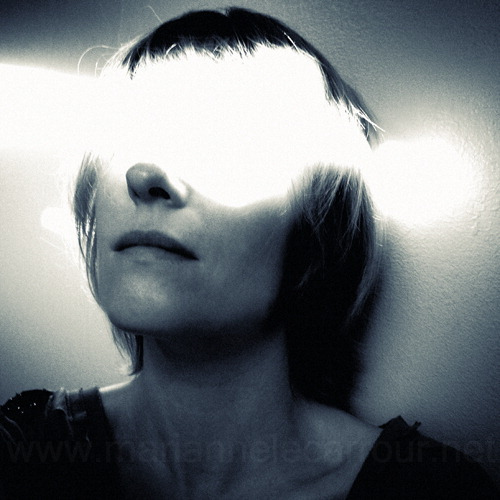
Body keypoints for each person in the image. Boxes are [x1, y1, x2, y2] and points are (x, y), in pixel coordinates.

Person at [0, 7, 497, 499]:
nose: (144, 175)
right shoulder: (21, 449)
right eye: (128, 140)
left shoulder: (431, 492)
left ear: (314, 228)